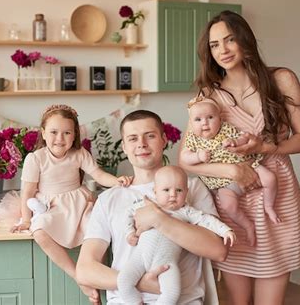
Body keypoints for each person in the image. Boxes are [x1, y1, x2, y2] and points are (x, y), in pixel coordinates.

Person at [178, 10, 300, 305]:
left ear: (245, 40)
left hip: (276, 196)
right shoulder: (209, 95)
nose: (223, 50)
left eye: (229, 40)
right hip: (233, 203)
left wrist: (265, 148)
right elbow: (185, 160)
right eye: (214, 45)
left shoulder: (282, 79)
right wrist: (232, 171)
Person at [76, 110, 228, 305]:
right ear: (123, 146)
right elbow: (85, 269)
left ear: (164, 140)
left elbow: (218, 250)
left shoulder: (192, 187)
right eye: (133, 138)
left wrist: (160, 219)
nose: (141, 144)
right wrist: (140, 283)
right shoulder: (109, 199)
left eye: (150, 136)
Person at [8, 104, 132, 297]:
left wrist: (117, 181)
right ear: (43, 133)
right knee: (39, 230)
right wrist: (26, 219)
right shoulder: (36, 158)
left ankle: (93, 270)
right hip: (52, 207)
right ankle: (78, 275)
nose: (60, 138)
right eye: (54, 132)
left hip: (80, 204)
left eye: (67, 133)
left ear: (74, 135)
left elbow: (98, 175)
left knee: (99, 228)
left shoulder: (80, 154)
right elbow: (28, 192)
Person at [118, 165, 235, 305]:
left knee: (172, 292)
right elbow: (127, 214)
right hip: (140, 258)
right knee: (123, 280)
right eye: (166, 190)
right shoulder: (146, 205)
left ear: (186, 192)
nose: (173, 194)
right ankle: (135, 302)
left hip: (167, 264)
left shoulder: (186, 211)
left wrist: (225, 230)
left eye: (179, 190)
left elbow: (206, 220)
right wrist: (129, 233)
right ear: (155, 191)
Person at [180, 97, 279, 246]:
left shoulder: (226, 129)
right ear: (191, 123)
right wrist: (197, 156)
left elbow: (241, 139)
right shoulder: (193, 139)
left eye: (210, 117)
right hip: (223, 182)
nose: (204, 123)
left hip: (247, 165)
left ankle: (269, 206)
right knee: (228, 206)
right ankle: (247, 225)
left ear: (220, 118)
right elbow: (184, 158)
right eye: (198, 120)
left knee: (270, 178)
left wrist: (234, 142)